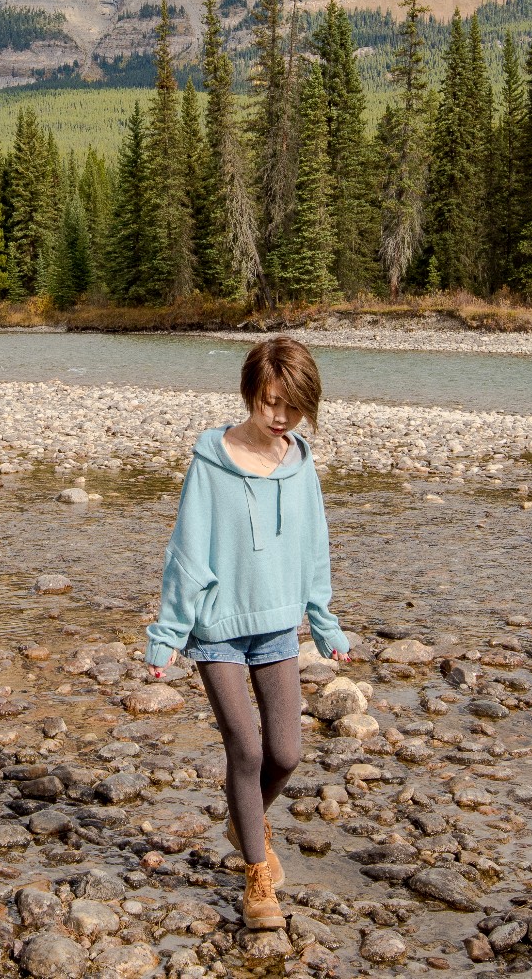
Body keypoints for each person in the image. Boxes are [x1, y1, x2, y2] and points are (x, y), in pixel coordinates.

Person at [144, 335, 351, 931]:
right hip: (217, 629)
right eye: (271, 403)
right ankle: (257, 878)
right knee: (246, 747)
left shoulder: (300, 464)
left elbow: (315, 548)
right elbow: (187, 552)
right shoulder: (211, 461)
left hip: (277, 626)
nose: (281, 417)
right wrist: (167, 634)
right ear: (250, 394)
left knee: (286, 754)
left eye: (293, 407)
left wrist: (324, 620)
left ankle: (244, 819)